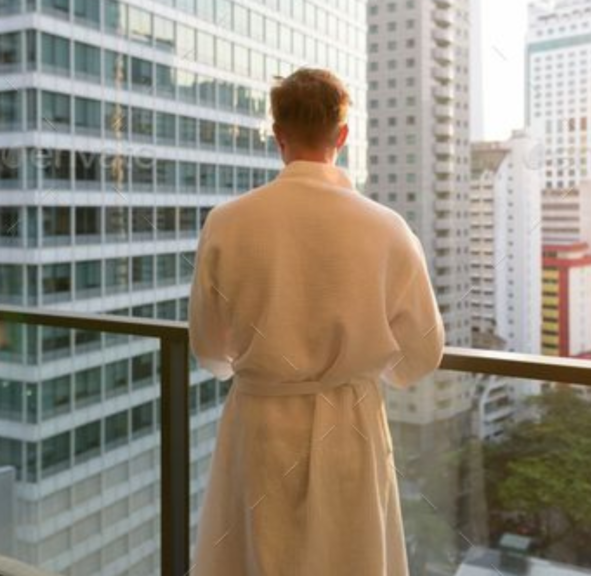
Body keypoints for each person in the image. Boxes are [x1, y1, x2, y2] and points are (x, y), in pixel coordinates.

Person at [189, 68, 445, 576]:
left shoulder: (227, 222)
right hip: (350, 424)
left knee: (255, 555)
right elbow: (424, 350)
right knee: (349, 556)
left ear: (277, 135)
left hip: (259, 420)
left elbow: (209, 347)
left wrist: (245, 369)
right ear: (343, 136)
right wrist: (371, 374)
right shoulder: (387, 228)